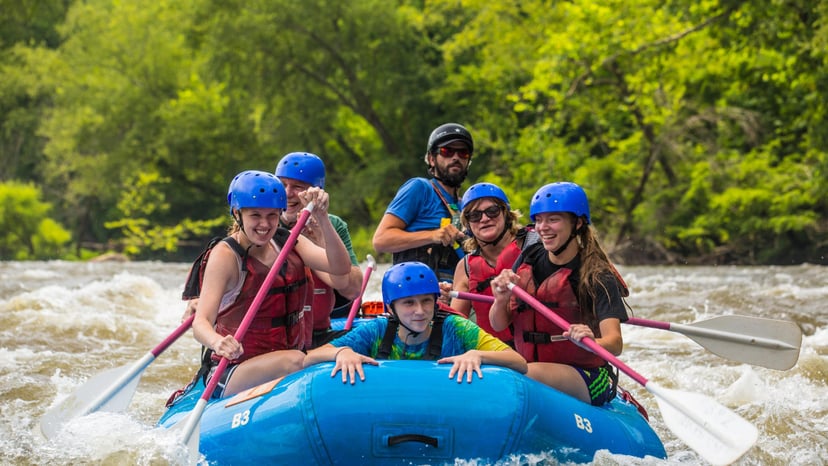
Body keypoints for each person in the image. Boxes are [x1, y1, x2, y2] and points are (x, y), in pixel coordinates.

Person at [190, 170, 353, 398]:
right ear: (238, 213)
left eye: (272, 216)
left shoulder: (287, 241)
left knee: (297, 358)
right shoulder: (226, 256)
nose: (265, 225)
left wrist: (323, 218)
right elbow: (201, 323)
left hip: (284, 358)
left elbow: (340, 267)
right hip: (234, 370)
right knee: (296, 360)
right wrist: (217, 342)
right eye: (255, 215)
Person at [489, 182, 627, 406]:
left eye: (553, 219)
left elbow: (615, 343)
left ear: (578, 223)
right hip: (533, 367)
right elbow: (498, 324)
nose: (543, 227)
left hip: (590, 376)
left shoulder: (597, 275)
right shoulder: (529, 257)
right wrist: (501, 299)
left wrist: (592, 340)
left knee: (517, 376)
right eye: (539, 220)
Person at [303, 261, 527, 384]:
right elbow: (310, 358)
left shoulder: (456, 327)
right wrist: (341, 352)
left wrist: (478, 354)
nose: (420, 311)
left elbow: (518, 362)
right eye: (409, 303)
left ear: (435, 302)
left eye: (426, 301)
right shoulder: (376, 330)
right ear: (391, 308)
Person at [275, 152, 363, 349]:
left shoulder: (331, 224)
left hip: (318, 331)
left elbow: (352, 288)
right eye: (282, 184)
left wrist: (321, 231)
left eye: (297, 186)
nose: (287, 193)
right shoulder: (262, 226)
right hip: (279, 334)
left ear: (316, 192)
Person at [372, 123, 473, 282]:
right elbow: (381, 240)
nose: (455, 157)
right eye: (447, 151)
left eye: (463, 153)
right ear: (432, 159)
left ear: (468, 161)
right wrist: (433, 235)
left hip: (456, 296)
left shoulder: (467, 206)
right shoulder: (420, 188)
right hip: (418, 293)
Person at [443, 182, 536, 346]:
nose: (484, 219)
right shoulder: (464, 267)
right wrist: (441, 304)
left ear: (506, 214)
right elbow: (456, 325)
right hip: (494, 356)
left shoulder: (535, 247)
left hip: (537, 352)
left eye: (492, 211)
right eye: (475, 215)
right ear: (468, 224)